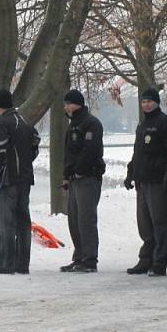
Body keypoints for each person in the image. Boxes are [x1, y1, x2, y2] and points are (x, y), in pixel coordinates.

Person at [0, 89, 40, 274]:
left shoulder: (3, 123)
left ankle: (7, 263)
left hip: (8, 180)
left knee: (6, 222)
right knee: (23, 221)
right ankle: (22, 264)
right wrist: (25, 162)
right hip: (25, 177)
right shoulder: (24, 121)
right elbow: (35, 144)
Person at [124, 87, 167, 276]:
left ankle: (159, 262)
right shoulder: (142, 124)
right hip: (142, 181)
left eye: (149, 101)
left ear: (156, 102)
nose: (146, 104)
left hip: (157, 181)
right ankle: (145, 259)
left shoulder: (166, 124)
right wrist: (131, 174)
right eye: (143, 101)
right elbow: (137, 153)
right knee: (144, 223)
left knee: (159, 222)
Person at [60, 89, 105, 273]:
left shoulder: (91, 124)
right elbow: (68, 154)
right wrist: (66, 175)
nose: (66, 107)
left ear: (77, 103)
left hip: (88, 178)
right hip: (74, 179)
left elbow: (90, 150)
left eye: (68, 103)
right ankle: (79, 257)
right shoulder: (72, 125)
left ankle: (89, 259)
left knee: (86, 219)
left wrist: (79, 170)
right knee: (75, 220)